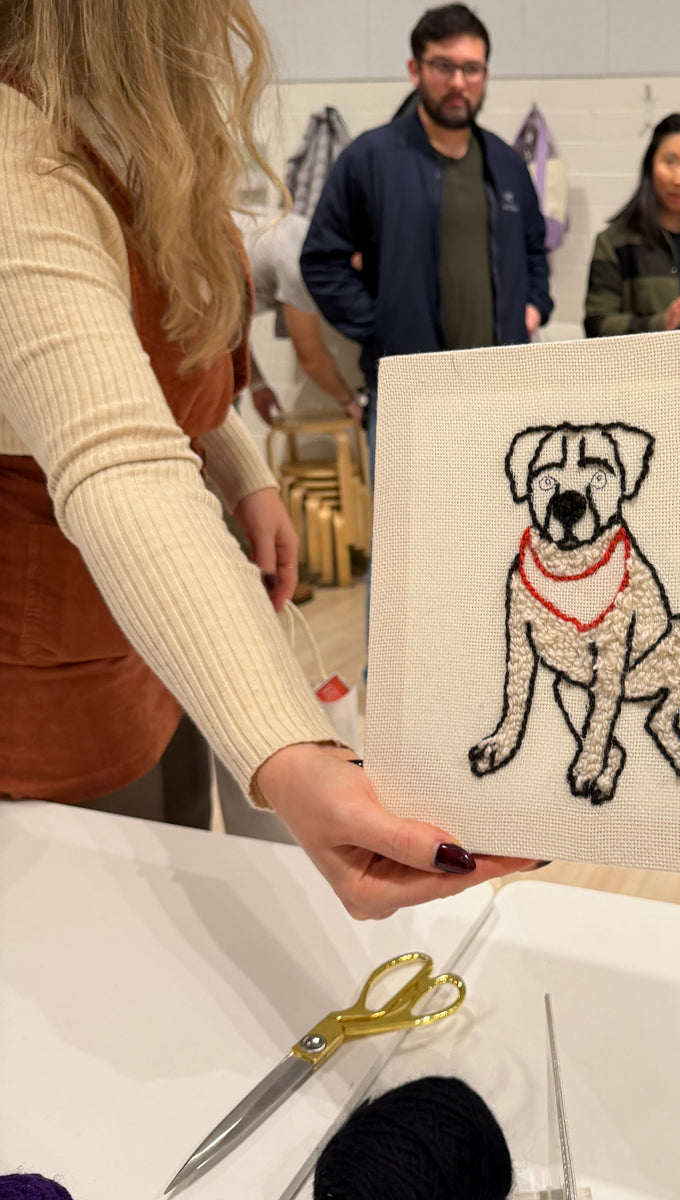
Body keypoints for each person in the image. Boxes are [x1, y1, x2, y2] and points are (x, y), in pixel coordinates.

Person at [0, 0, 537, 918]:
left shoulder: (137, 128)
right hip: (62, 656)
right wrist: (293, 747)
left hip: (152, 626)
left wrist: (243, 475)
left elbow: (160, 358)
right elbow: (117, 456)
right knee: (112, 919)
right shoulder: (24, 157)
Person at [301, 3, 552, 464]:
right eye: (443, 66)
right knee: (409, 534)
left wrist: (534, 306)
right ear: (415, 69)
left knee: (495, 529)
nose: (459, 82)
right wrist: (381, 327)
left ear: (485, 74)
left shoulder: (508, 166)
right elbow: (322, 260)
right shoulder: (370, 159)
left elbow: (534, 249)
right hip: (408, 395)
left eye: (471, 69)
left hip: (499, 390)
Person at [584, 113, 680, 336]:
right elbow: (596, 325)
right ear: (651, 163)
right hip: (641, 369)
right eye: (670, 162)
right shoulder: (613, 243)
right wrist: (661, 323)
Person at [234, 207, 362, 427]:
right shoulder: (302, 260)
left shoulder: (302, 231)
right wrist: (352, 403)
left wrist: (256, 384)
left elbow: (227, 327)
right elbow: (311, 359)